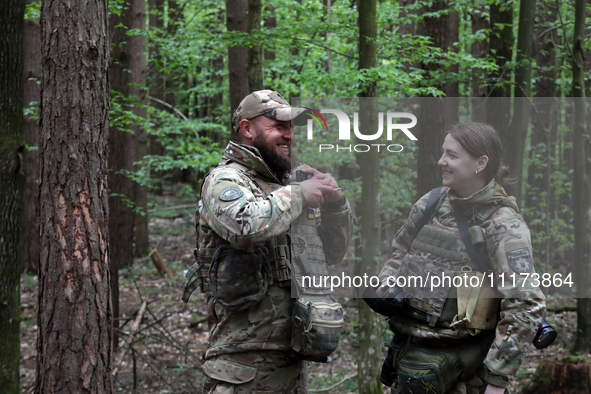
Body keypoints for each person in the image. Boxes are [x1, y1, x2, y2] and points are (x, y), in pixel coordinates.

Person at [180, 90, 354, 393]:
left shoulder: (288, 187)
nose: (289, 135)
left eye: (291, 128)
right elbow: (246, 228)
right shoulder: (225, 180)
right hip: (240, 369)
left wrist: (336, 202)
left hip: (292, 366)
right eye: (278, 126)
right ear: (248, 129)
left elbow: (334, 253)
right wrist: (299, 194)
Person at [374, 122, 546, 394]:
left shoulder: (503, 225)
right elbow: (400, 251)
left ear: (481, 163)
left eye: (451, 155)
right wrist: (388, 282)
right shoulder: (430, 203)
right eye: (443, 153)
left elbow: (526, 304)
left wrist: (496, 381)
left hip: (465, 375)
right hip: (408, 360)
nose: (441, 161)